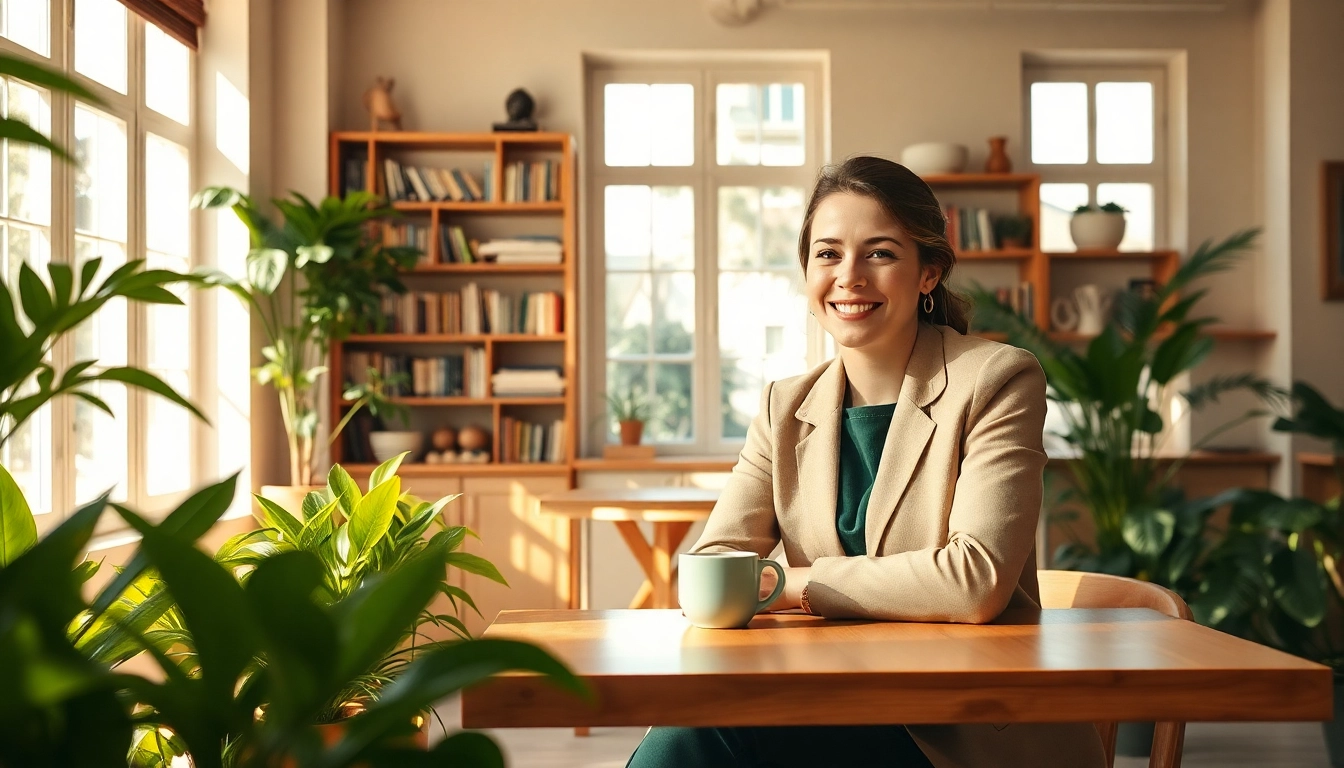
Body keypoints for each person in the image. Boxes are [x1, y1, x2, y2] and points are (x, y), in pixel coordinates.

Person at [626, 156, 1107, 768]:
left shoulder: (998, 379)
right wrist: (763, 585)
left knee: (702, 741)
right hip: (830, 699)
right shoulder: (785, 406)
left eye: (879, 253)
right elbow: (715, 568)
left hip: (961, 729)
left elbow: (975, 581)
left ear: (928, 272)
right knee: (688, 734)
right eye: (827, 254)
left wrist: (790, 583)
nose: (848, 276)